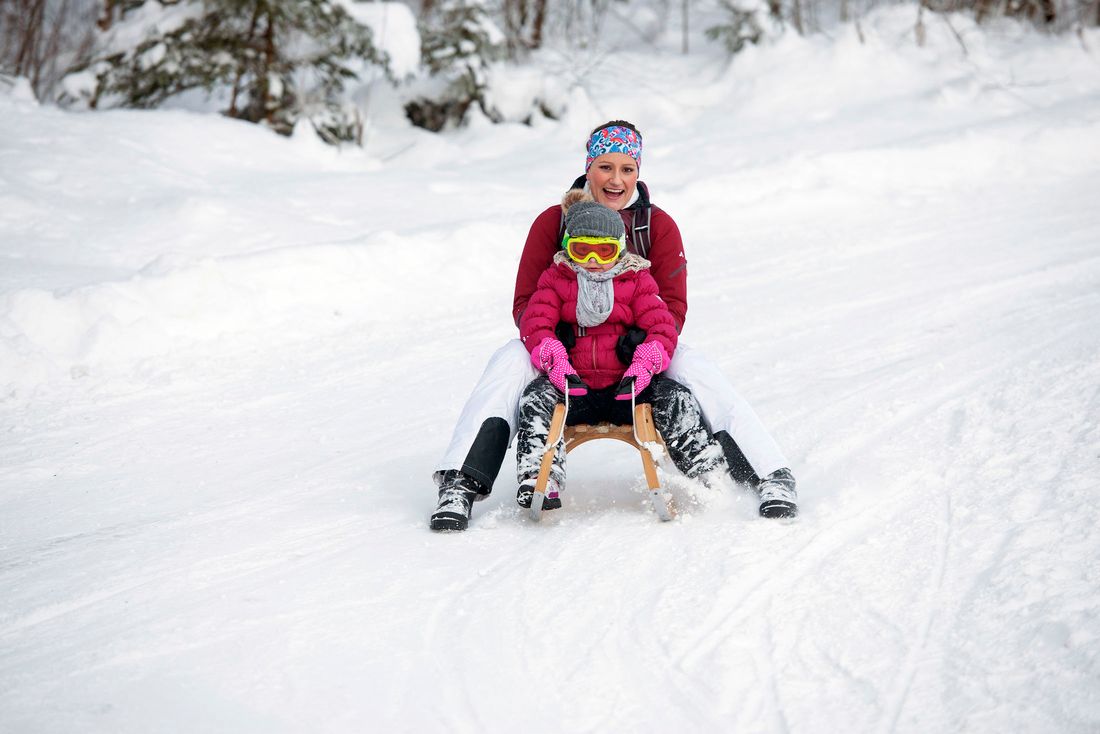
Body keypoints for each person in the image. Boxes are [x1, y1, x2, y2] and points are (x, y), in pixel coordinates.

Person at [430, 120, 797, 531]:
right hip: (561, 358)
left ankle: (769, 473)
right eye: (605, 167)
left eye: (627, 169)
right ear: (588, 167)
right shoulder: (554, 222)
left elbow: (672, 308)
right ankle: (460, 483)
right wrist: (554, 341)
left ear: (638, 172)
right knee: (510, 358)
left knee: (693, 365)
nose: (616, 180)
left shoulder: (655, 226)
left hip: (640, 356)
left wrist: (643, 346)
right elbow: (525, 303)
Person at [513, 192, 724, 513]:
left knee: (674, 396)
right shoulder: (556, 279)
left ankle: (707, 471)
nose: (593, 260)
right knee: (535, 397)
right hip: (572, 388)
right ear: (567, 247)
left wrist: (647, 360)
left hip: (628, 390)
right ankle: (538, 476)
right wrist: (550, 352)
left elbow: (662, 325)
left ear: (620, 249)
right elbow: (535, 321)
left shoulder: (636, 280)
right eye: (581, 250)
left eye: (605, 251)